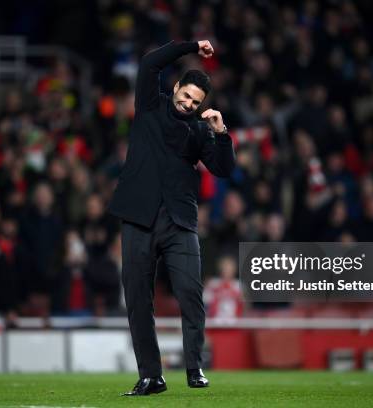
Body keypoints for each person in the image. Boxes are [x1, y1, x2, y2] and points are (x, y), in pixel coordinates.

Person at [108, 39, 236, 396]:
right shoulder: (151, 105)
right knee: (137, 298)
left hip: (180, 222)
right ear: (177, 87)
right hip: (138, 218)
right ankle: (151, 376)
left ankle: (195, 367)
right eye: (186, 96)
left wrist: (221, 132)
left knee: (190, 294)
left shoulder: (198, 129)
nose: (189, 104)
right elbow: (150, 62)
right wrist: (192, 46)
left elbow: (223, 169)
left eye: (196, 102)